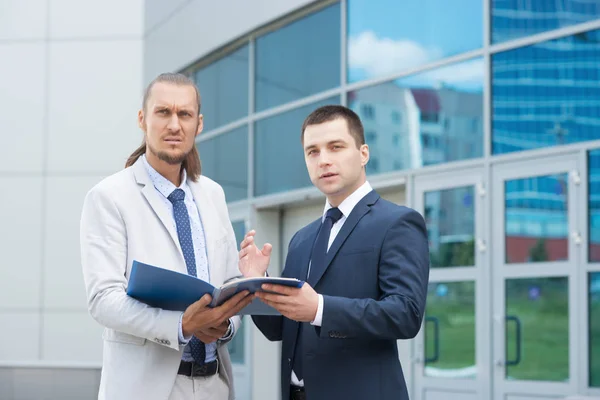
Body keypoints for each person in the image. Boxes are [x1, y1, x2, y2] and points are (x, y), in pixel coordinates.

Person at [238, 105, 430, 400]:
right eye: (312, 152)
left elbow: (405, 314)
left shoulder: (398, 222)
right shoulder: (302, 238)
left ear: (363, 153)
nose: (323, 160)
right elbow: (280, 328)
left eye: (335, 147)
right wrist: (256, 284)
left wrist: (320, 310)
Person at [80, 72, 252, 400]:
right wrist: (182, 325)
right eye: (163, 112)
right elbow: (103, 300)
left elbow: (229, 280)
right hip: (146, 389)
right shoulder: (109, 196)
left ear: (198, 124)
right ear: (143, 119)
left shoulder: (212, 194)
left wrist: (225, 323)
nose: (174, 124)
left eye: (184, 114)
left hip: (214, 384)